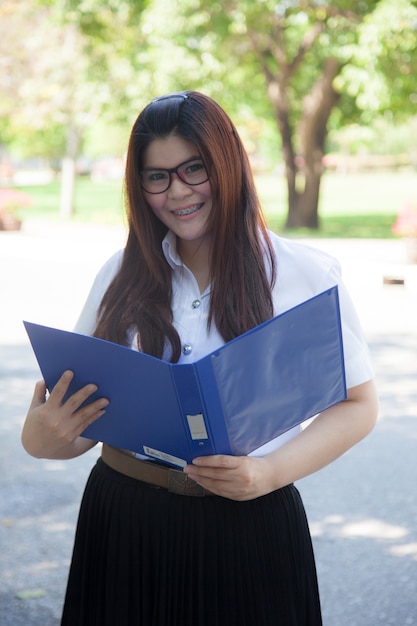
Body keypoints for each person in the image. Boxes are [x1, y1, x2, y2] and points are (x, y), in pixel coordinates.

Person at [21, 91, 378, 626]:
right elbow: (84, 415)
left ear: (227, 162)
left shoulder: (303, 274)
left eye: (194, 168)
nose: (178, 192)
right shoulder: (119, 274)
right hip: (125, 521)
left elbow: (359, 405)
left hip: (250, 524)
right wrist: (43, 439)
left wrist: (269, 472)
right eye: (156, 176)